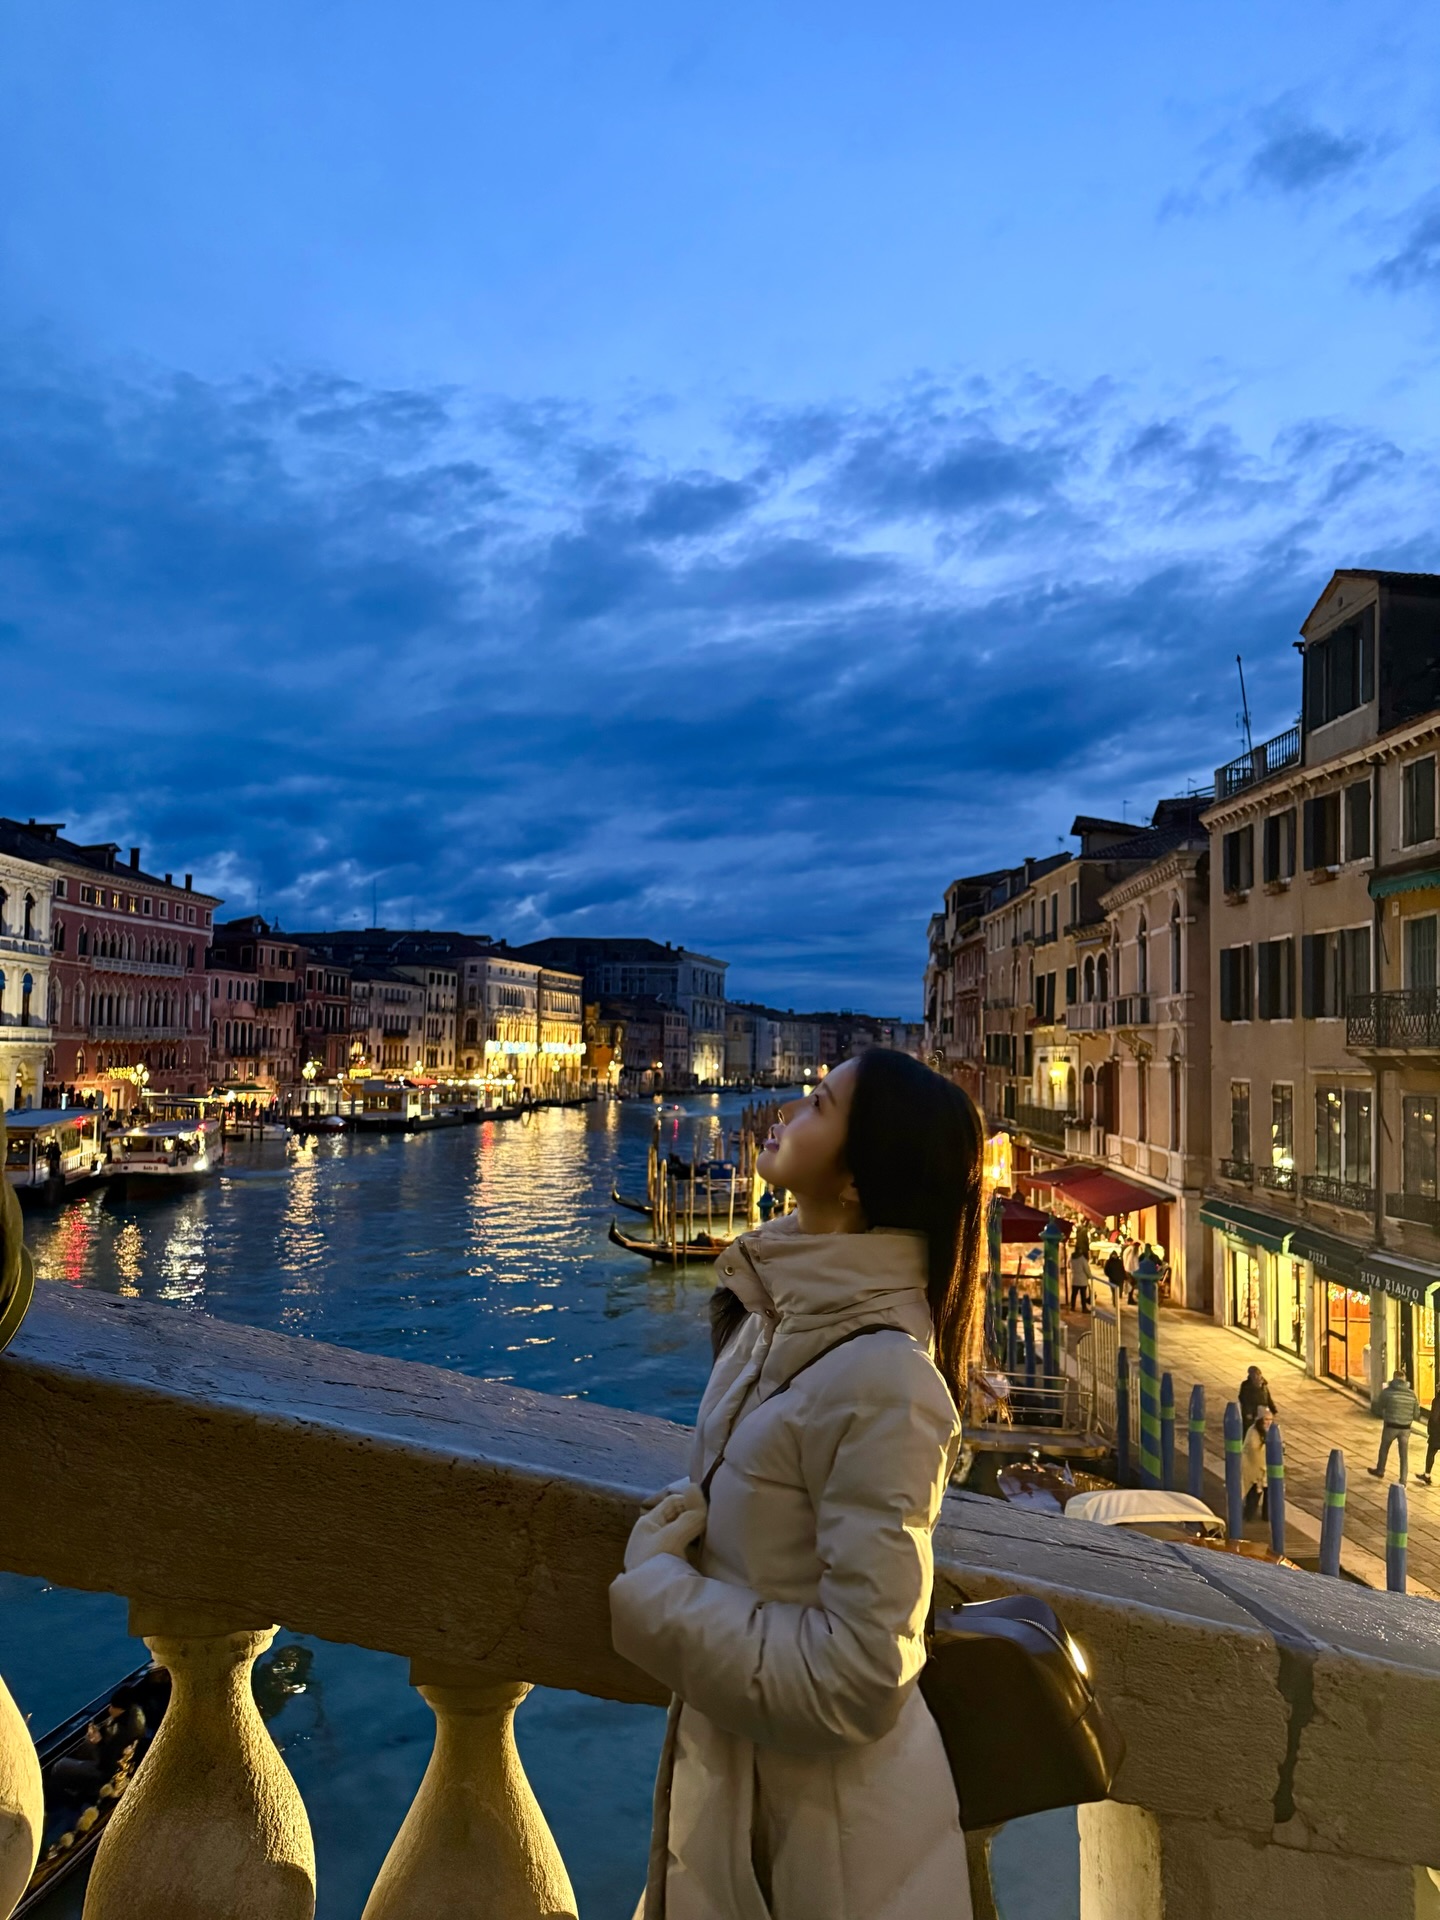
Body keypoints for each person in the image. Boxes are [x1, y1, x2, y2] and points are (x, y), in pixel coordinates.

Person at [610, 1049, 983, 1920]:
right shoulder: (772, 1322)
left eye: (818, 1104)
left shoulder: (888, 1381)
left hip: (833, 1854)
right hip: (747, 1800)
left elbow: (860, 1674)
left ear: (855, 1179)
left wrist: (657, 1589)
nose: (784, 1112)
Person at [1368, 1370, 1420, 1484]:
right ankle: (1403, 1480)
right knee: (1403, 1455)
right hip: (1405, 1428)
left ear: (1394, 1378)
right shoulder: (1412, 1394)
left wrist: (1385, 1415)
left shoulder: (1387, 1392)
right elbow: (1417, 1414)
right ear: (1404, 1379)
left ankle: (1380, 1470)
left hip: (1390, 1426)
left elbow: (1378, 1409)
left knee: (1384, 1448)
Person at [1242, 1406, 1273, 1521]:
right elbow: (1254, 1451)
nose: (1269, 1422)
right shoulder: (1253, 1431)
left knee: (1269, 1495)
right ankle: (1248, 1515)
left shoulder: (1272, 1431)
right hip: (1255, 1469)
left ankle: (1267, 1515)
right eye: (1266, 1419)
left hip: (1267, 1469)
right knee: (1254, 1494)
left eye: (1270, 1419)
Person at [1238, 1364, 1276, 1432]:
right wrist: (1248, 1412)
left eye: (1257, 1374)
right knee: (1251, 1430)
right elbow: (1244, 1399)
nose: (1256, 1376)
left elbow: (1268, 1398)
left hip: (1263, 1411)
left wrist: (1273, 1409)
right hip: (1253, 1412)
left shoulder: (1264, 1385)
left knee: (1265, 1429)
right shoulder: (1246, 1385)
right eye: (1253, 1374)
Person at [1418, 1395, 1440, 1487]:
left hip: (1437, 1432)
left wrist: (1431, 1430)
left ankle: (1427, 1475)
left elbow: (1435, 1416)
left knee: (1431, 1453)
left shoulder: (1438, 1399)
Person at [1068, 1243, 1092, 1313]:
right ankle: (1084, 1308)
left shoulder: (1072, 1257)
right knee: (1083, 1295)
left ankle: (1072, 1307)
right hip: (1082, 1280)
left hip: (1075, 1279)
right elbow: (1086, 1269)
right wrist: (1090, 1276)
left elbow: (1069, 1265)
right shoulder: (1082, 1259)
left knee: (1074, 1294)